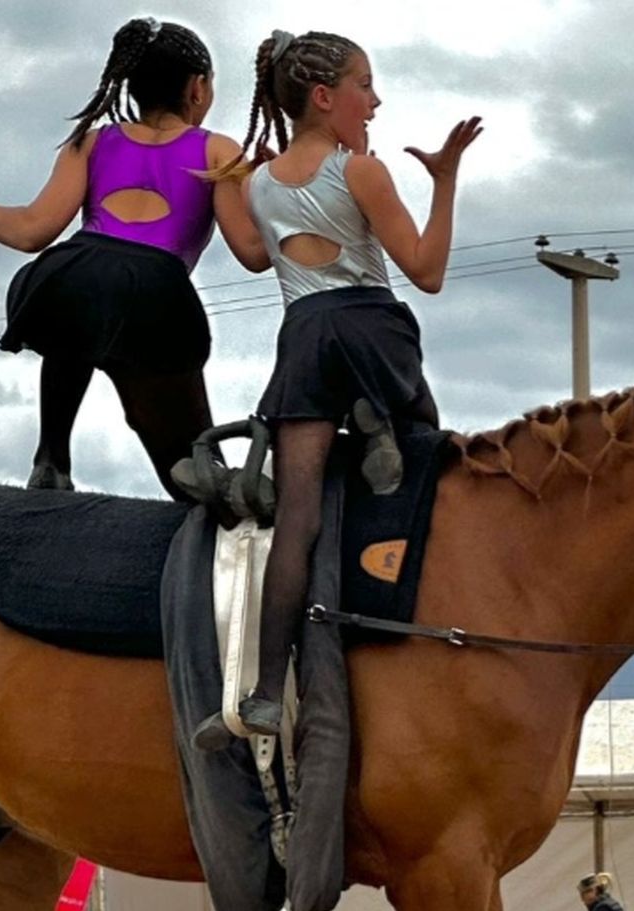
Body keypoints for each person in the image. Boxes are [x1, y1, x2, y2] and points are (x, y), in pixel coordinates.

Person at [191, 27, 481, 745]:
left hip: (306, 336)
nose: (375, 101)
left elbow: (258, 258)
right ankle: (379, 426)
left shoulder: (259, 184)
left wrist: (227, 188)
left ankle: (261, 693)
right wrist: (444, 182)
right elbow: (428, 271)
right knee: (431, 468)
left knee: (298, 518)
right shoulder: (362, 173)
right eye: (364, 86)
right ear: (325, 97)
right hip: (372, 328)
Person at [0, 17, 269, 495]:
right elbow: (253, 253)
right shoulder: (219, 150)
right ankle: (203, 479)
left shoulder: (91, 140)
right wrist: (284, 198)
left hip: (77, 272)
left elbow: (33, 231)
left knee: (81, 304)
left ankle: (52, 456)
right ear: (198, 88)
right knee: (194, 461)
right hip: (158, 294)